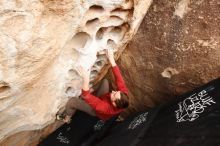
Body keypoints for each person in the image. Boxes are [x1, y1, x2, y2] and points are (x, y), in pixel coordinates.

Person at [56, 49, 129, 123]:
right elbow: (119, 79)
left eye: (114, 94)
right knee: (105, 82)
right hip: (103, 99)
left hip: (96, 111)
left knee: (72, 102)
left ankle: (66, 117)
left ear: (114, 103)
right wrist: (112, 60)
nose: (113, 91)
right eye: (116, 92)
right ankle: (91, 91)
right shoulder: (123, 95)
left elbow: (86, 95)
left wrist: (86, 78)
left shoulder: (105, 108)